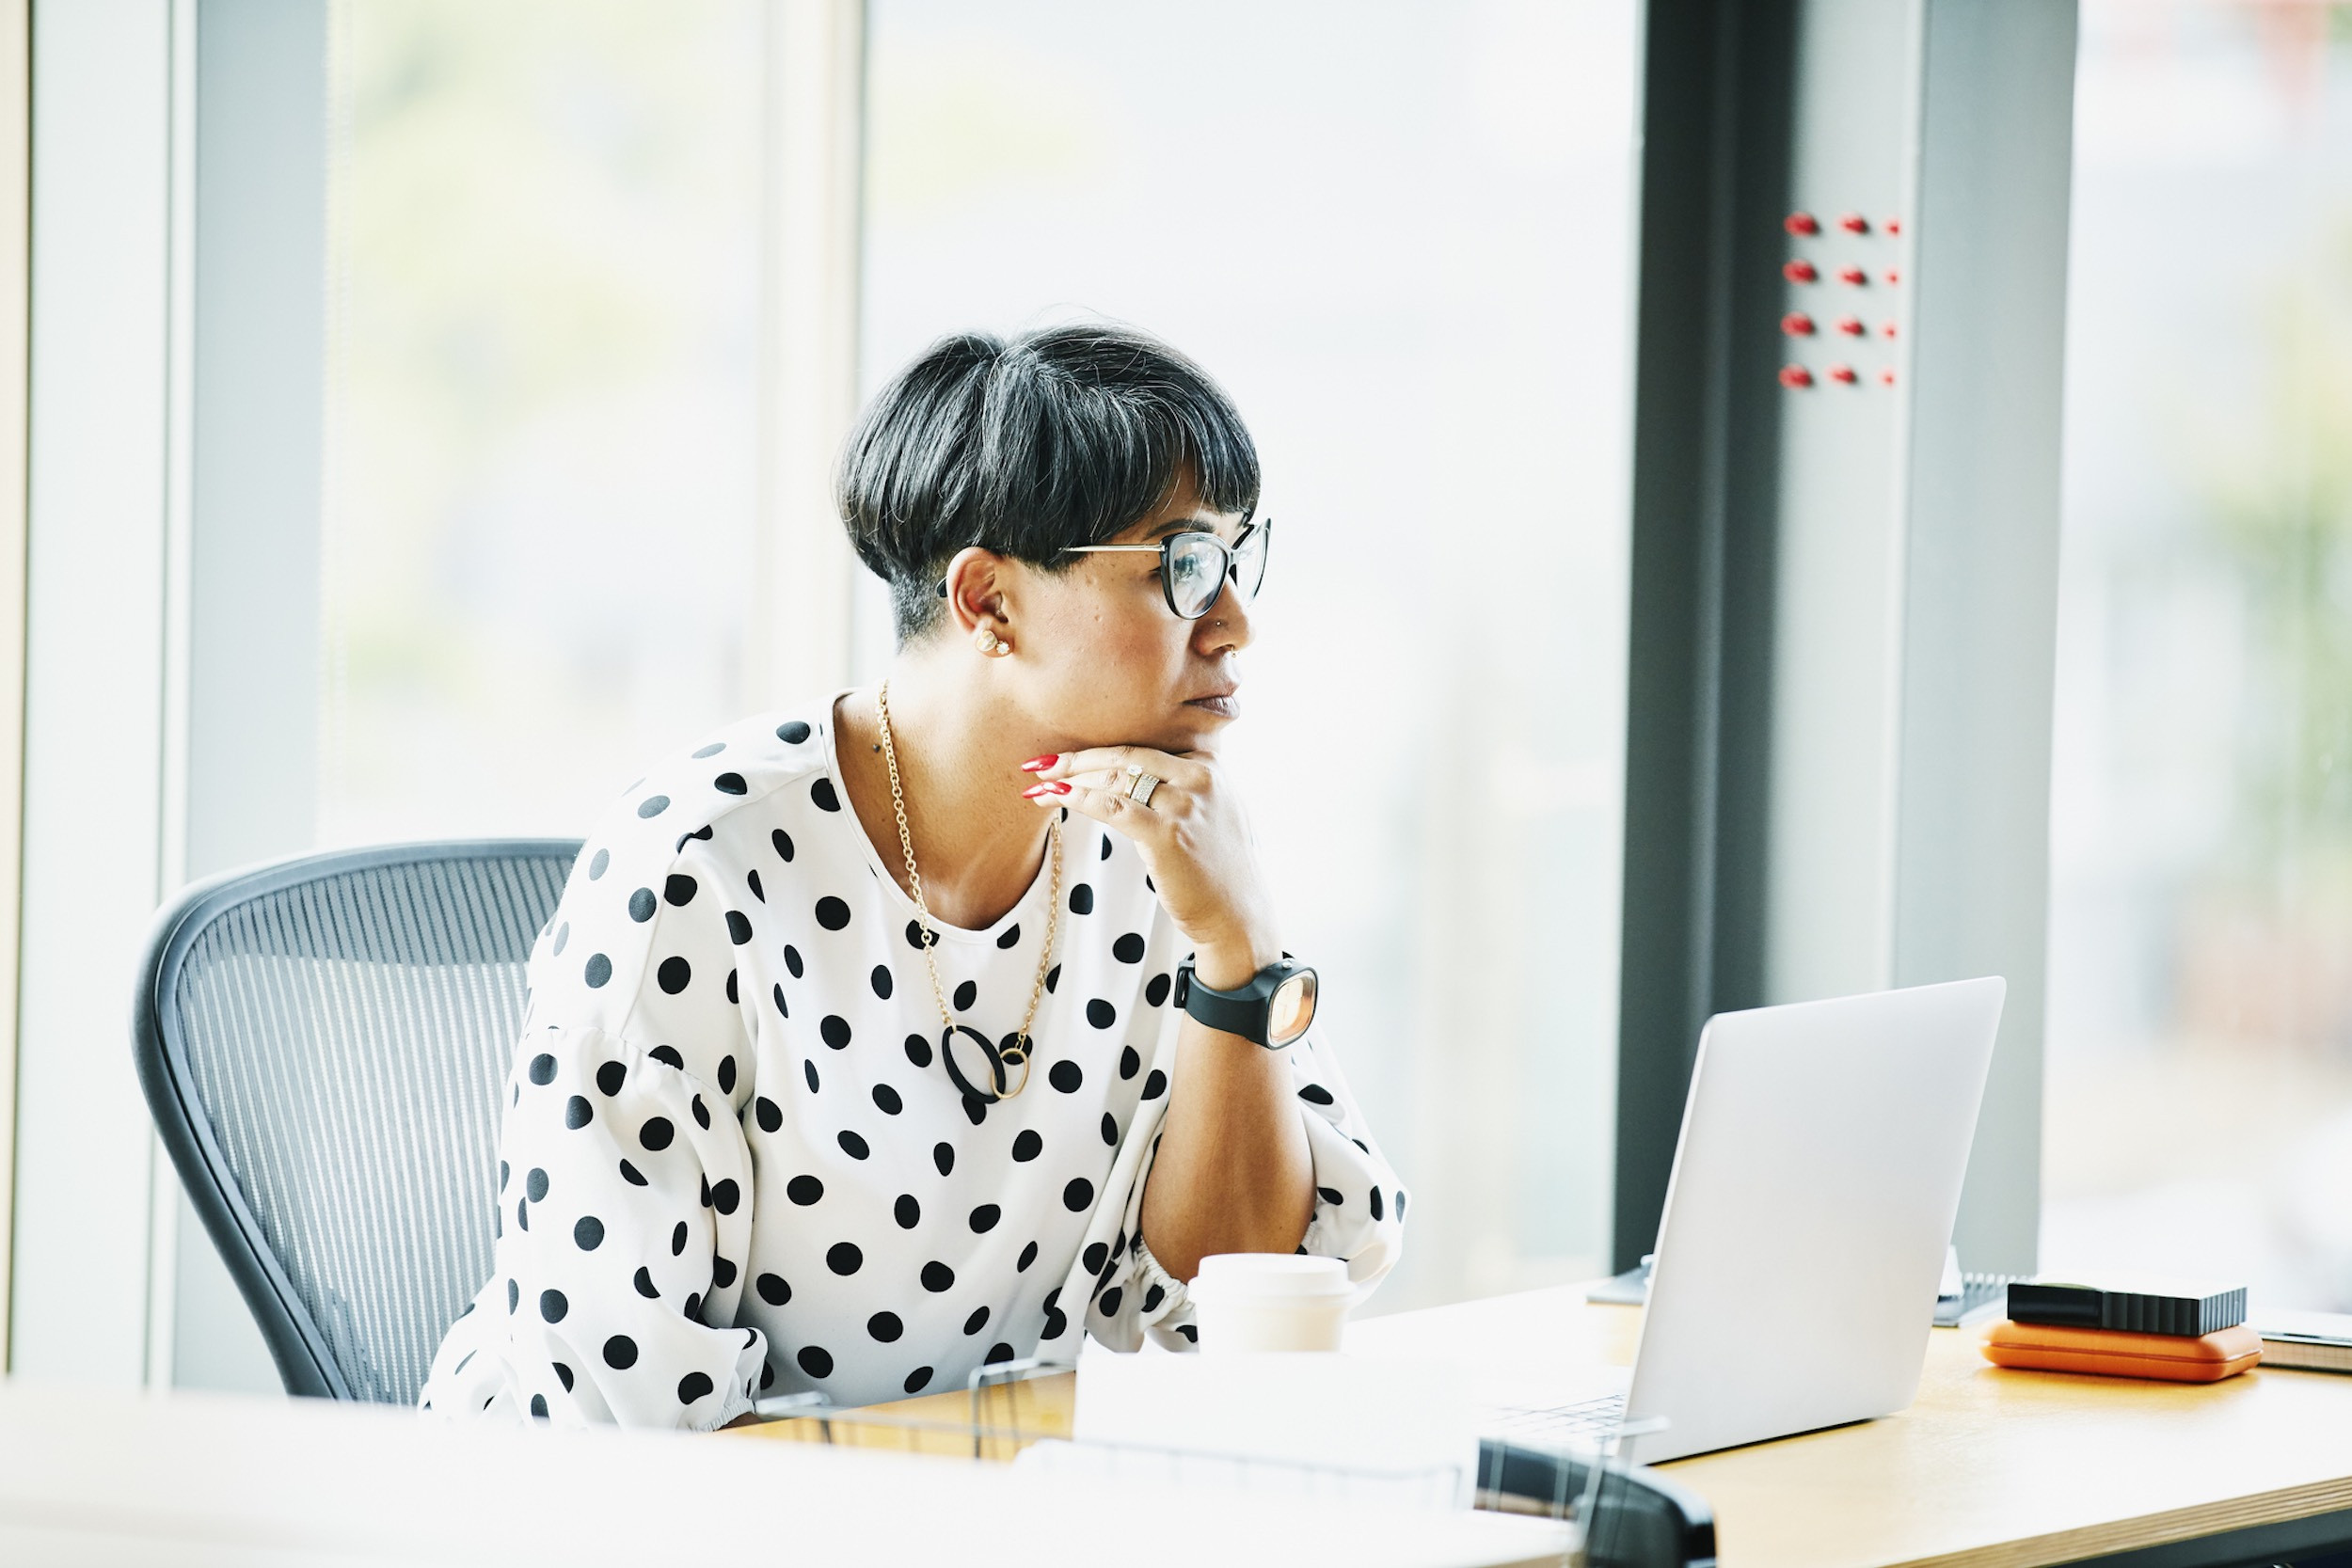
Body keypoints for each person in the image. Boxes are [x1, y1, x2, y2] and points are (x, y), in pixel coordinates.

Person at [420, 324, 1406, 1426]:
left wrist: (1238, 951)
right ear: (988, 599)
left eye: (1234, 557)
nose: (1236, 624)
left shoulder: (1163, 845)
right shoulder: (700, 861)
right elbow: (622, 1407)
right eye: (1183, 564)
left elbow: (1228, 1302)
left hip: (962, 1498)